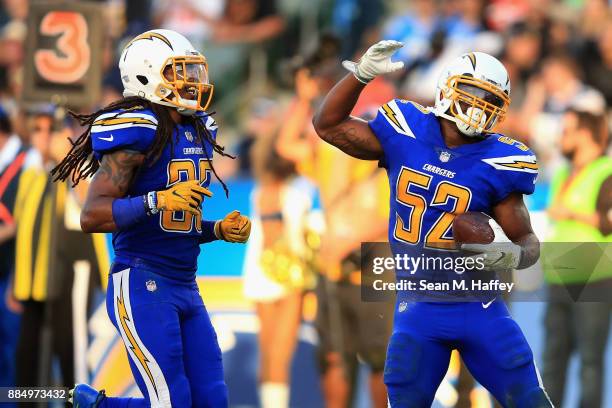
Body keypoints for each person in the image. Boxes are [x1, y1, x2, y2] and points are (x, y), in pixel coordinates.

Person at [312, 42, 552, 407]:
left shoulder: (501, 159)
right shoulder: (407, 130)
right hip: (418, 307)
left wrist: (499, 255)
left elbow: (527, 244)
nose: (478, 108)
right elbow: (327, 124)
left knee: (529, 400)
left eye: (489, 100)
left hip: (479, 306)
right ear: (447, 89)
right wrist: (360, 75)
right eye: (472, 94)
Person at [51, 29, 251, 408]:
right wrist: (156, 199)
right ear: (147, 76)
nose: (192, 82)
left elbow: (175, 220)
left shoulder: (195, 128)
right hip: (142, 282)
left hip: (186, 285)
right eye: (179, 72)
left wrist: (217, 229)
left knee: (212, 401)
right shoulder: (138, 128)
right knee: (170, 404)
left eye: (192, 72)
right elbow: (91, 215)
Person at [542, 108, 612, 408]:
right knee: (552, 360)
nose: (561, 138)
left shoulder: (606, 172)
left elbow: (608, 221)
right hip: (558, 278)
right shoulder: (562, 173)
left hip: (594, 279)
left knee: (589, 361)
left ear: (585, 135)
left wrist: (572, 214)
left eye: (567, 131)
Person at [243, 132, 318, 408]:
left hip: (261, 275)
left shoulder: (262, 190)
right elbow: (274, 241)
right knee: (279, 355)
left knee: (268, 353)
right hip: (285, 277)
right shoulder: (291, 192)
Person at [0, 106, 40, 392]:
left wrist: (17, 280)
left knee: (16, 355)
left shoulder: (29, 160)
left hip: (15, 274)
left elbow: (26, 221)